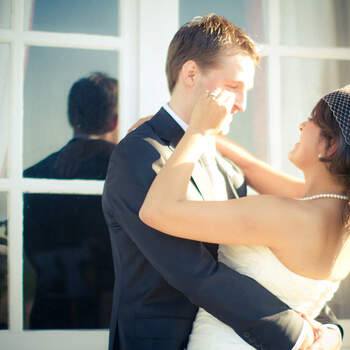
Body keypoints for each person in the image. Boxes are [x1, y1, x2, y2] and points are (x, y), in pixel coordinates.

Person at [102, 14, 342, 350]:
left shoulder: (228, 167)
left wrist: (328, 328)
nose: (242, 105)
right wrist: (298, 334)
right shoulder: (139, 154)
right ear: (190, 74)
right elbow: (194, 272)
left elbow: (275, 266)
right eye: (233, 88)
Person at [140, 85, 350, 349]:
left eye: (311, 120)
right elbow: (251, 167)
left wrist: (197, 131)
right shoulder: (335, 212)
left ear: (330, 146)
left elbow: (157, 210)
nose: (301, 126)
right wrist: (178, 125)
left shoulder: (284, 215)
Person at [24, 72, 118, 329]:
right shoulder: (127, 170)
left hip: (49, 317)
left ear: (71, 116)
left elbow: (32, 250)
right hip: (110, 316)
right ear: (115, 121)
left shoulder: (33, 175)